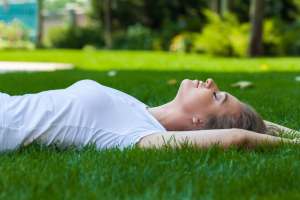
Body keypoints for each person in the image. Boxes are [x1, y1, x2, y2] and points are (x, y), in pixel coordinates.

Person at [0, 79, 297, 152]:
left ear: (200, 123)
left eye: (217, 96)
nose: (210, 83)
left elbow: (238, 137)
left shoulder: (138, 135)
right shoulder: (139, 110)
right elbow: (254, 127)